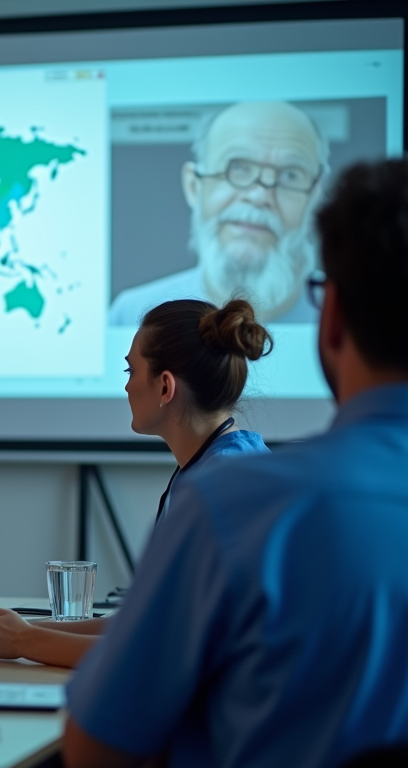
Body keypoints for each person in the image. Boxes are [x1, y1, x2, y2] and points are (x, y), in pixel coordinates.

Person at [63, 158, 408, 767]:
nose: (125, 386)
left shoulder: (234, 507)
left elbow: (98, 748)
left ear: (330, 320)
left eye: (129, 373)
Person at [0, 298, 272, 668]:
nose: (126, 388)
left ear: (165, 387)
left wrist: (24, 641)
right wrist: (22, 630)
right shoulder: (222, 464)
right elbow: (146, 626)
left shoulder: (220, 488)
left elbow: (152, 654)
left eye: (130, 372)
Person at [110, 101, 329, 325]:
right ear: (194, 186)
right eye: (238, 168)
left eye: (290, 175)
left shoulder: (359, 316)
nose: (259, 196)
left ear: (316, 197)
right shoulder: (133, 316)